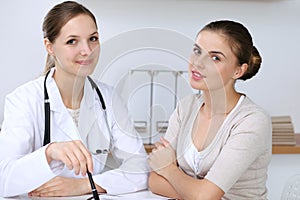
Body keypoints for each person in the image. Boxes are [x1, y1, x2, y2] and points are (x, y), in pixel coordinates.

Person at [0, 1, 148, 198]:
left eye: (93, 39)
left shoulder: (109, 99)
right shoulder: (23, 100)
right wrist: (49, 152)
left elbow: (140, 167)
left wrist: (85, 185)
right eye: (72, 41)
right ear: (49, 46)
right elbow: (4, 178)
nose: (87, 50)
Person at [148, 20, 272, 200]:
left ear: (238, 71)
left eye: (215, 58)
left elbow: (205, 196)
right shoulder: (186, 107)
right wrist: (197, 192)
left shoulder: (252, 120)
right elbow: (154, 181)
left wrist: (168, 169)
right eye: (197, 51)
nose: (198, 63)